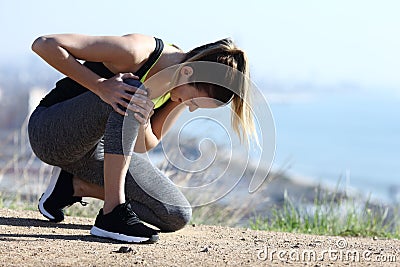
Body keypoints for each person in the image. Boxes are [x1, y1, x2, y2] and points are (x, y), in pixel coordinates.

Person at [28, 33, 256, 243]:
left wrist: (143, 120)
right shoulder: (136, 52)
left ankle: (70, 186)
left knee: (175, 214)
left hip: (95, 151)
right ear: (188, 72)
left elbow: (146, 143)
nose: (191, 109)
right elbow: (44, 44)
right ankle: (112, 214)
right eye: (194, 102)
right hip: (50, 134)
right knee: (131, 91)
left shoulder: (179, 91)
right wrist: (101, 87)